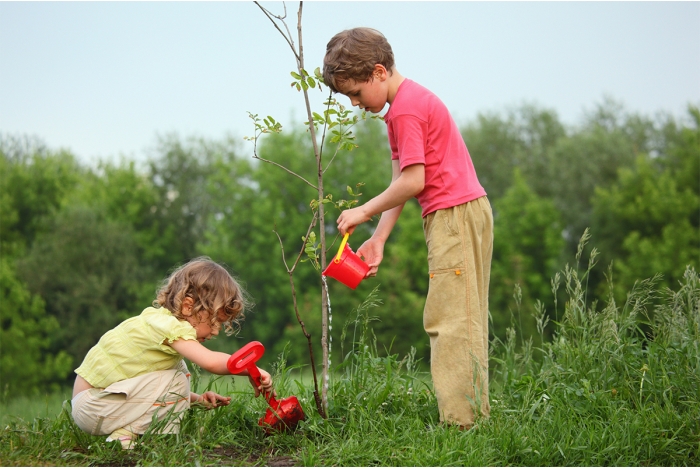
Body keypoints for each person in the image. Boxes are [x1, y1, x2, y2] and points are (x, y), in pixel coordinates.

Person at [323, 27, 493, 430]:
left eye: (356, 93)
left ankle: (463, 425)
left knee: (451, 320)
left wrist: (362, 211)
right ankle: (471, 418)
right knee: (461, 315)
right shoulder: (399, 111)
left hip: (454, 215)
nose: (355, 104)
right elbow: (402, 179)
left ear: (379, 72)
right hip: (454, 214)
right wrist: (379, 237)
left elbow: (414, 182)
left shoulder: (407, 109)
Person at [71, 256, 274, 449]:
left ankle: (129, 435)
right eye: (215, 321)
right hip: (93, 405)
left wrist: (196, 399)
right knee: (177, 376)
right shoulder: (169, 327)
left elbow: (150, 386)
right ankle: (125, 437)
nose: (215, 331)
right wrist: (250, 369)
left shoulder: (160, 324)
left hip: (97, 405)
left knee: (178, 372)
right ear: (188, 307)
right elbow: (211, 362)